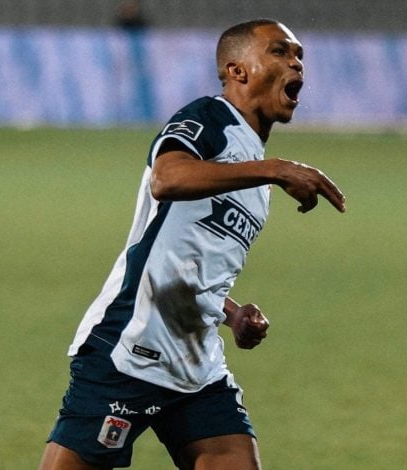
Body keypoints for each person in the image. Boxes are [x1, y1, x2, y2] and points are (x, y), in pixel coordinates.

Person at [39, 18, 346, 470]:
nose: (296, 62)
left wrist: (232, 312)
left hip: (197, 364)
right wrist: (277, 169)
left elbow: (191, 260)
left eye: (299, 55)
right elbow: (167, 178)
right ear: (238, 70)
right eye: (280, 52)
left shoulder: (255, 175)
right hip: (130, 350)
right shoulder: (209, 118)